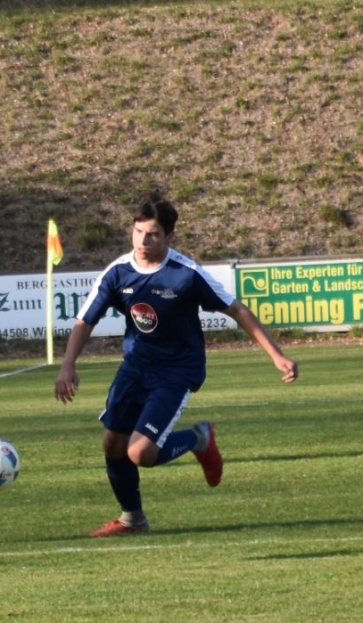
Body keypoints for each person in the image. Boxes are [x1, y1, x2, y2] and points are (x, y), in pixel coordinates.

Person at [54, 191, 299, 537]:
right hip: (136, 366)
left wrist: (277, 355)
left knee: (140, 453)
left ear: (169, 236)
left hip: (176, 371)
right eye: (138, 232)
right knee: (112, 444)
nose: (143, 241)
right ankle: (132, 519)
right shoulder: (118, 272)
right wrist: (68, 366)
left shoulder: (185, 274)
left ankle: (198, 438)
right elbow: (85, 320)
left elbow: (237, 309)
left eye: (153, 234)